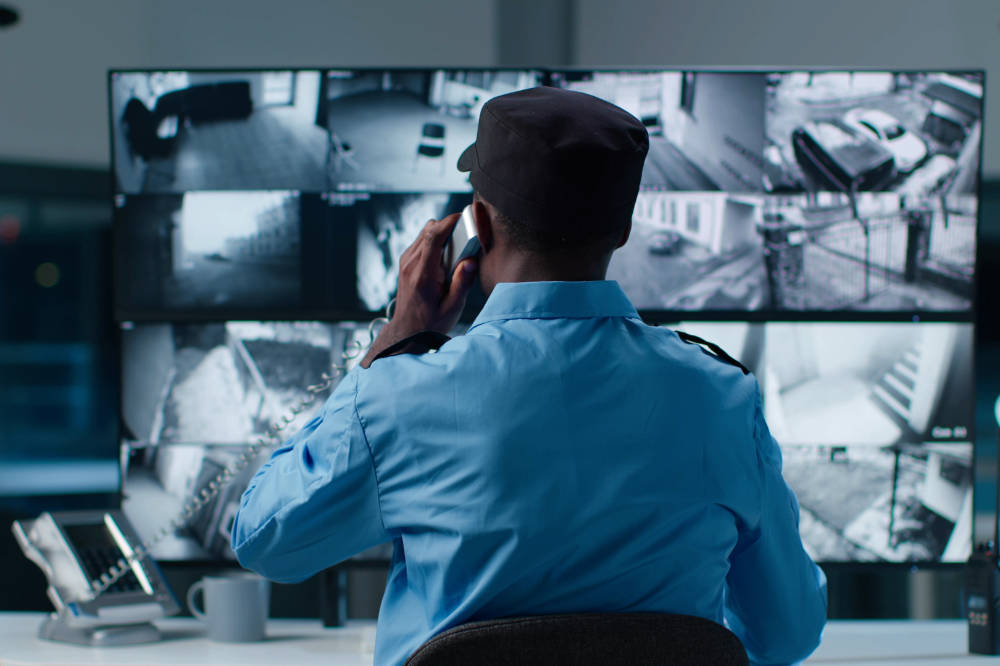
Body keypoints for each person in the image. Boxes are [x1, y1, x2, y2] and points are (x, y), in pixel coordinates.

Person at [232, 86, 827, 666]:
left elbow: (266, 544)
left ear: (478, 226)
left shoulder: (401, 395)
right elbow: (787, 635)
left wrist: (392, 341)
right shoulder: (724, 398)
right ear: (622, 231)